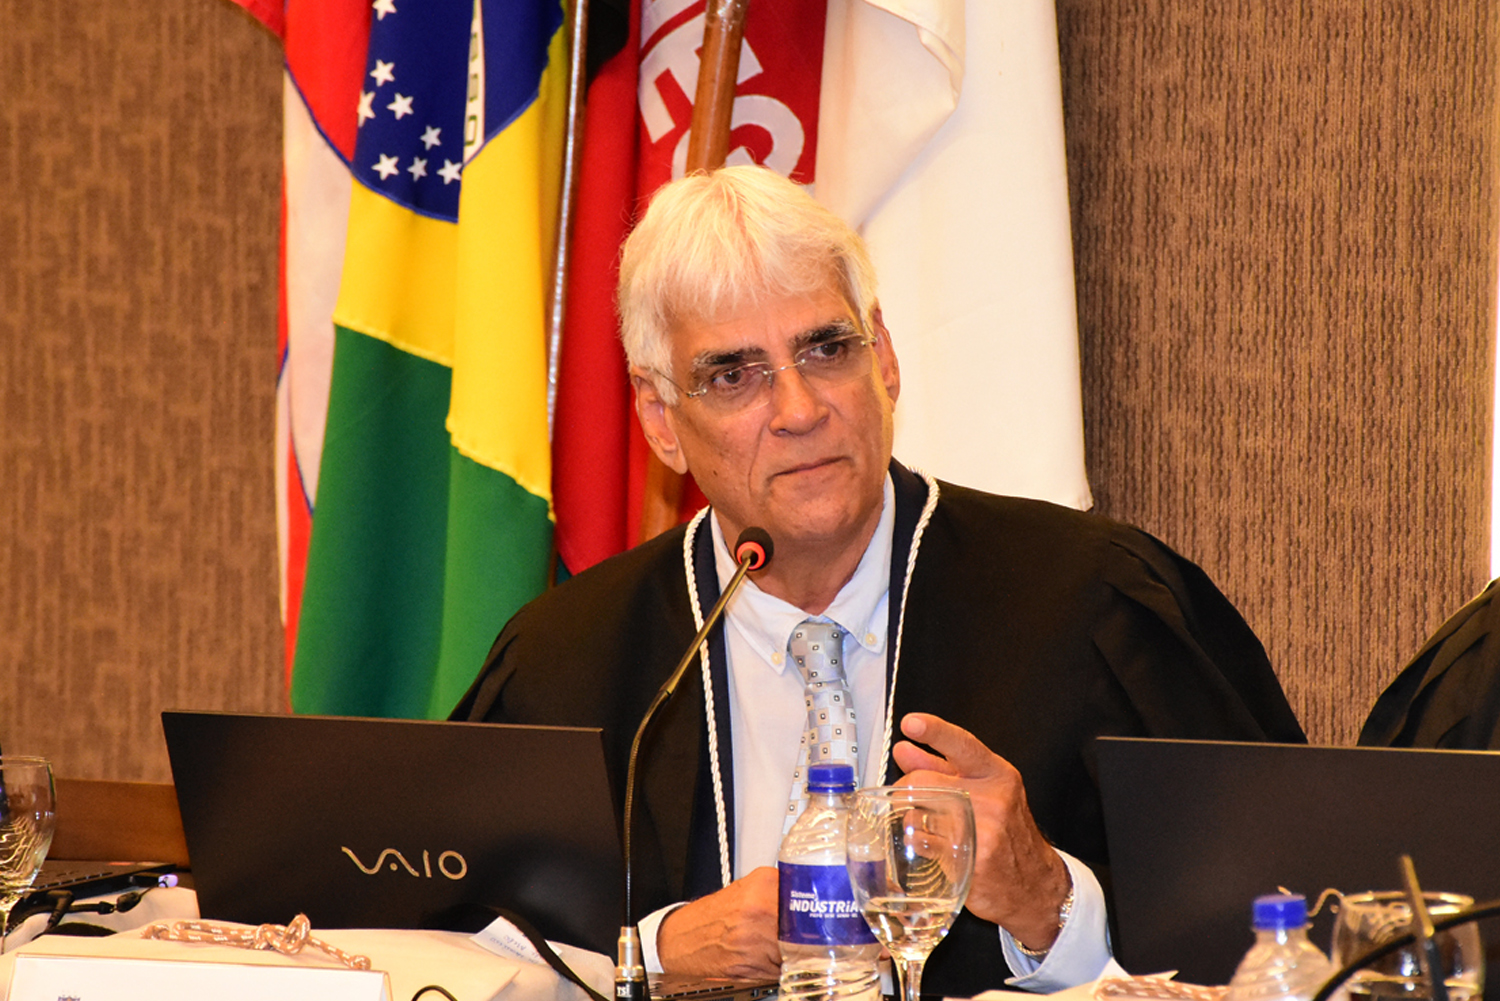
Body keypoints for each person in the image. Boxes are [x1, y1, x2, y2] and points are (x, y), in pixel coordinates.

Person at [453, 165, 1305, 995]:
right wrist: (653, 953)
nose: (799, 410)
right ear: (659, 419)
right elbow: (445, 947)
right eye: (734, 375)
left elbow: (1289, 931)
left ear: (885, 357)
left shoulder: (1097, 607)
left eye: (826, 348)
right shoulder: (566, 662)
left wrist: (1048, 899)